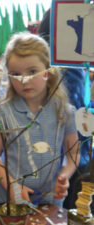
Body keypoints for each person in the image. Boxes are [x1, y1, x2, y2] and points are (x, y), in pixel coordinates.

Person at [0, 32, 80, 208]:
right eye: (16, 74)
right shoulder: (3, 112)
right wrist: (11, 185)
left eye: (32, 71)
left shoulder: (64, 111)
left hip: (50, 203)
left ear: (49, 72)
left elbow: (73, 153)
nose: (24, 80)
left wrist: (65, 176)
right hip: (8, 205)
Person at [38, 8, 91, 209]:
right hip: (59, 158)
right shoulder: (54, 70)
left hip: (79, 150)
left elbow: (82, 102)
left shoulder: (78, 64)